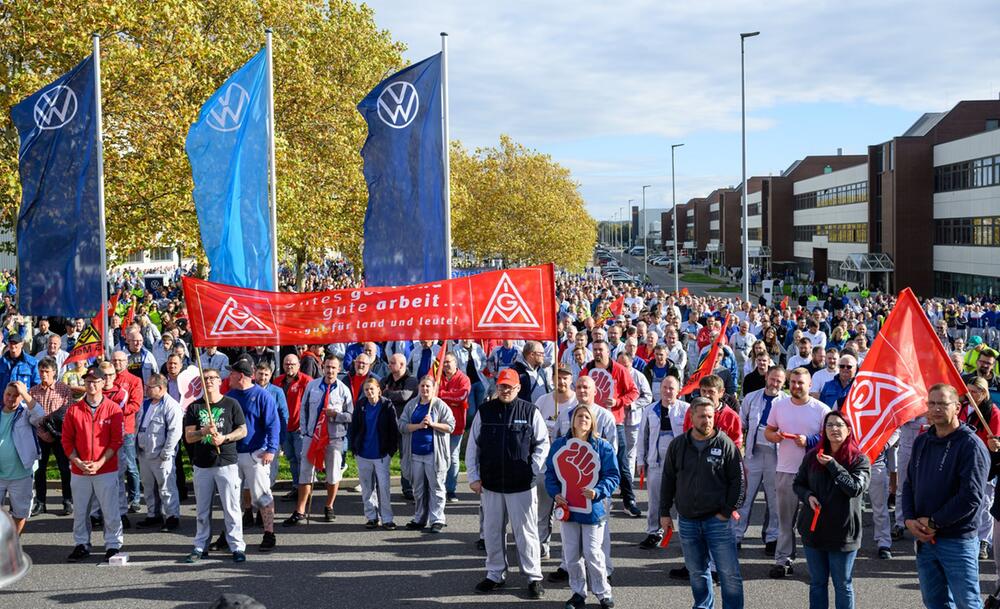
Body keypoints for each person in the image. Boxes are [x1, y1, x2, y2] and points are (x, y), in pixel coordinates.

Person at [902, 383, 989, 609]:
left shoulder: (971, 445)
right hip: (924, 540)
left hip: (957, 541)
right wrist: (909, 520)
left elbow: (970, 497)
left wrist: (934, 522)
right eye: (931, 403)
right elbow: (909, 483)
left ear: (957, 407)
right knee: (934, 602)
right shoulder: (922, 441)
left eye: (942, 403)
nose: (936, 408)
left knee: (967, 603)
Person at [466, 368, 549, 599]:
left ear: (518, 388)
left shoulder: (530, 411)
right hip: (491, 484)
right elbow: (473, 446)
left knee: (526, 533)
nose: (504, 390)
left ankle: (534, 577)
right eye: (501, 386)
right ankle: (494, 574)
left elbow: (543, 444)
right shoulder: (485, 411)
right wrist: (473, 476)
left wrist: (532, 469)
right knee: (492, 532)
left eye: (509, 386)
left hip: (521, 485)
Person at [660, 397, 745, 609]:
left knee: (729, 573)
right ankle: (703, 606)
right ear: (691, 417)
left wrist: (727, 511)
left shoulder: (725, 444)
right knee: (697, 572)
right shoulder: (678, 445)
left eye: (710, 416)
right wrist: (664, 513)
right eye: (702, 416)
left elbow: (739, 481)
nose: (707, 420)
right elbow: (668, 480)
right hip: (688, 521)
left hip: (718, 521)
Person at [794, 410, 871, 609]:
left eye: (839, 425)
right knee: (817, 583)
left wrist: (833, 466)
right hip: (814, 530)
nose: (834, 429)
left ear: (848, 430)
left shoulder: (859, 460)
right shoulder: (813, 456)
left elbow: (854, 488)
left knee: (842, 584)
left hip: (843, 533)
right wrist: (808, 496)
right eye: (829, 425)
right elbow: (798, 484)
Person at [545, 405, 620, 609]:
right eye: (579, 416)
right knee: (571, 554)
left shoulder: (603, 447)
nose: (583, 420)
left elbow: (613, 475)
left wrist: (598, 491)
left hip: (593, 509)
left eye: (587, 416)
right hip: (568, 507)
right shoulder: (560, 445)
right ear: (573, 420)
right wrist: (556, 494)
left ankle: (603, 593)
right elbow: (550, 473)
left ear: (593, 421)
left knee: (593, 553)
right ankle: (578, 593)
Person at [764, 367, 830, 577]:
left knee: (816, 522)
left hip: (815, 474)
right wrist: (774, 437)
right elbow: (769, 430)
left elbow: (831, 440)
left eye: (800, 383)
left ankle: (818, 563)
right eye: (792, 382)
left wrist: (809, 441)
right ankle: (783, 560)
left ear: (810, 385)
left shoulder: (821, 409)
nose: (796, 386)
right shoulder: (779, 405)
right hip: (786, 470)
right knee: (785, 521)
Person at [62, 366, 125, 562]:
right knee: (80, 510)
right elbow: (66, 440)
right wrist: (77, 461)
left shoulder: (113, 409)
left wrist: (99, 463)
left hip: (105, 468)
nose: (91, 384)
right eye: (88, 381)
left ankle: (113, 544)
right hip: (80, 470)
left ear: (102, 383)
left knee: (110, 509)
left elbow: (116, 440)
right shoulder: (74, 410)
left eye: (95, 381)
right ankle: (81, 543)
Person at [284, 354, 353, 525]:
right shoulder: (312, 386)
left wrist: (336, 415)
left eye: (333, 368)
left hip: (334, 438)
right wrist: (306, 432)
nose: (330, 371)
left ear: (338, 369)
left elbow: (351, 416)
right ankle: (300, 510)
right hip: (311, 437)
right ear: (323, 368)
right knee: (305, 473)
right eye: (327, 367)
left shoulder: (344, 390)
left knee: (333, 474)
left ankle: (329, 506)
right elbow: (304, 409)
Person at [225, 358, 281, 552]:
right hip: (232, 453)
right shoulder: (230, 395)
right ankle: (230, 534)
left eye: (231, 373)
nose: (228, 377)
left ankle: (269, 533)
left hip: (256, 452)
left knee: (262, 496)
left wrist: (271, 449)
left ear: (241, 376)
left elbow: (273, 423)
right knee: (231, 496)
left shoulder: (262, 396)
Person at [583, 340, 640, 517]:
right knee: (590, 461)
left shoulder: (619, 370)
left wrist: (618, 402)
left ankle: (629, 500)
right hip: (591, 422)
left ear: (609, 352)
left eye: (601, 349)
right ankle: (589, 498)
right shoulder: (588, 369)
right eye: (595, 349)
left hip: (616, 422)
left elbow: (633, 392)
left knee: (621, 462)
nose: (598, 352)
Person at [736, 365, 787, 552]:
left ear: (783, 383)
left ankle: (772, 538)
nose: (775, 383)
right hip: (753, 453)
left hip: (776, 455)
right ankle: (736, 535)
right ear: (767, 378)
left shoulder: (786, 402)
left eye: (779, 381)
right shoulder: (751, 398)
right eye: (772, 379)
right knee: (745, 497)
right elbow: (740, 425)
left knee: (774, 500)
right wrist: (739, 452)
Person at [533, 363, 578, 560]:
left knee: (570, 511)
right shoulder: (542, 401)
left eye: (565, 377)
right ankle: (542, 544)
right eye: (558, 377)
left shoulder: (577, 404)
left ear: (571, 379)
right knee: (543, 508)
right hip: (546, 464)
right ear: (552, 379)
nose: (561, 381)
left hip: (570, 467)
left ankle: (571, 551)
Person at [398, 376, 455, 533]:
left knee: (436, 486)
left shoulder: (439, 406)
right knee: (418, 488)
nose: (425, 389)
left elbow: (451, 426)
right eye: (422, 386)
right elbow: (402, 426)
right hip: (415, 453)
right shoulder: (412, 405)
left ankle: (437, 519)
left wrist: (433, 424)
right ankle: (420, 518)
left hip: (433, 454)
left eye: (428, 386)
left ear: (434, 388)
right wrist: (418, 426)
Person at [637, 375, 688, 549]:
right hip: (656, 464)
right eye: (665, 387)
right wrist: (640, 460)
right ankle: (653, 532)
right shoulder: (650, 410)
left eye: (671, 388)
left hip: (680, 465)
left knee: (682, 501)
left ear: (678, 390)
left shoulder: (686, 409)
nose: (667, 391)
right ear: (660, 389)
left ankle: (686, 535)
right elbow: (642, 437)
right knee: (655, 501)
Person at [134, 373, 183, 532]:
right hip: (144, 453)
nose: (146, 389)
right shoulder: (145, 403)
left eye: (150, 387)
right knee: (148, 487)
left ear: (161, 388)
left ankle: (171, 516)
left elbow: (175, 432)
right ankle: (153, 515)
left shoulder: (171, 405)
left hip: (161, 455)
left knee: (166, 487)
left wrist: (166, 452)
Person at [349, 378, 399, 529]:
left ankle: (387, 518)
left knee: (383, 488)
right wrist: (354, 448)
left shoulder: (387, 405)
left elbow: (394, 430)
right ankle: (371, 516)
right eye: (366, 390)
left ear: (379, 389)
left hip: (381, 454)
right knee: (366, 488)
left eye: (372, 389)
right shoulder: (360, 405)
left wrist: (391, 451)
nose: (369, 392)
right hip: (363, 453)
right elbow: (354, 428)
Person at [29, 357, 75, 516]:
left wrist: (55, 428)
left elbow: (68, 411)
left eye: (46, 371)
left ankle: (67, 500)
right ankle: (40, 503)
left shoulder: (63, 389)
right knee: (39, 471)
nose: (43, 374)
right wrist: (42, 428)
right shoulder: (33, 391)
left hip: (60, 436)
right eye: (41, 371)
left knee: (64, 469)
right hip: (40, 435)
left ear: (54, 372)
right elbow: (30, 414)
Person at [0, 381, 44, 534]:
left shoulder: (25, 413)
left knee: (20, 513)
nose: (11, 398)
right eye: (8, 394)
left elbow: (40, 417)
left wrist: (25, 394)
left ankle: (11, 544)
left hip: (21, 474)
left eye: (16, 395)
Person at [273, 353, 312, 499]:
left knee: (302, 459)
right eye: (286, 364)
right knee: (291, 459)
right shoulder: (277, 381)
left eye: (292, 364)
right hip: (283, 428)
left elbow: (311, 405)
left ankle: (305, 489)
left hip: (300, 428)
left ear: (298, 365)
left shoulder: (307, 381)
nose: (289, 366)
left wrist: (306, 424)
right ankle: (296, 487)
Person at [382, 352, 419, 500]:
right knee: (384, 457)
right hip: (388, 425)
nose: (389, 365)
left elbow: (404, 395)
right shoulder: (386, 379)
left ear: (402, 365)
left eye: (392, 363)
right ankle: (381, 485)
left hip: (404, 426)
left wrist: (387, 394)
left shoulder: (411, 380)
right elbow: (379, 394)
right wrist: (389, 394)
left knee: (406, 458)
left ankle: (408, 488)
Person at [437, 353, 471, 503]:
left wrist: (442, 395)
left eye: (448, 362)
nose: (445, 365)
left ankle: (450, 489)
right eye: (443, 363)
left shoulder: (464, 379)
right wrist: (450, 397)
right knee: (439, 457)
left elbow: (461, 397)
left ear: (455, 363)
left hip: (456, 425)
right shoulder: (437, 377)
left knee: (452, 457)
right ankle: (439, 487)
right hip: (438, 424)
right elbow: (432, 394)